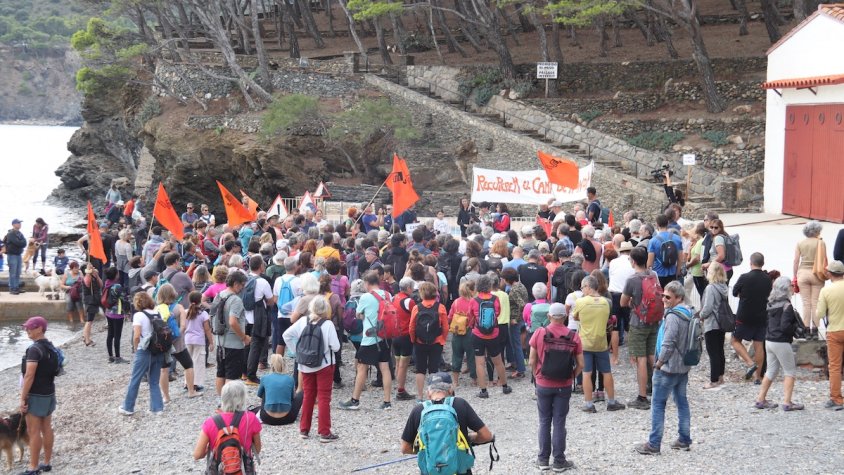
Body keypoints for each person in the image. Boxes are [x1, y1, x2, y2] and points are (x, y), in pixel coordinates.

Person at [635, 281, 694, 455]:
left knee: (658, 404)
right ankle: (684, 439)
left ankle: (654, 444)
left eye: (668, 297)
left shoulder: (673, 317)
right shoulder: (689, 313)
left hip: (668, 369)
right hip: (683, 367)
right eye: (663, 295)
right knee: (682, 403)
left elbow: (668, 343)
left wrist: (659, 363)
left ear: (679, 298)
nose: (664, 299)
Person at [400, 372, 495, 474]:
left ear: (428, 393)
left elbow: (405, 448)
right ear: (450, 390)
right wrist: (468, 440)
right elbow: (486, 436)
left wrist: (430, 449)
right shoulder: (460, 404)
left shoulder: (418, 410)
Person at [529, 303, 583, 472]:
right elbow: (581, 364)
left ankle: (543, 460)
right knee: (559, 422)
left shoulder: (540, 333)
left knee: (544, 421)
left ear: (549, 316)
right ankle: (559, 461)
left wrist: (537, 375)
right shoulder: (573, 336)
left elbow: (531, 360)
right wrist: (572, 376)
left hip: (543, 383)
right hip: (564, 385)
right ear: (565, 317)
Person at [283, 297, 340, 440]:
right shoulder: (328, 324)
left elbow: (286, 335)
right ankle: (324, 431)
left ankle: (304, 430)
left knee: (308, 395)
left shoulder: (303, 321)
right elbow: (336, 347)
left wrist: (297, 352)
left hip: (305, 365)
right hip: (324, 365)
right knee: (324, 398)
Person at [339, 271, 394, 410]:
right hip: (385, 336)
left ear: (367, 283)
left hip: (370, 337)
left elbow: (358, 314)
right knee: (385, 367)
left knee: (362, 367)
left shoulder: (366, 297)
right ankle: (387, 402)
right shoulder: (388, 295)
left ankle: (355, 400)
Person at [573, 276, 625, 413]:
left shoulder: (580, 302)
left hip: (585, 342)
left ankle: (589, 404)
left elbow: (575, 317)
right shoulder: (607, 302)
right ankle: (611, 402)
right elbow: (608, 318)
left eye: (583, 287)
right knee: (606, 372)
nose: (582, 290)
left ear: (588, 287)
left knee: (586, 373)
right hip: (601, 342)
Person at [755, 276, 804, 411]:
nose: (793, 288)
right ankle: (787, 402)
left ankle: (760, 399)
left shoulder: (771, 304)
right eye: (791, 285)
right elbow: (785, 326)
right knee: (790, 371)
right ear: (786, 288)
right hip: (781, 342)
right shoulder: (787, 305)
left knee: (771, 370)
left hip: (769, 340)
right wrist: (795, 330)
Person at [621, 247, 660, 410]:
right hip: (654, 320)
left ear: (633, 261)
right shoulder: (653, 275)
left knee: (641, 359)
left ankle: (642, 397)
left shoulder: (632, 279)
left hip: (638, 322)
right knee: (652, 355)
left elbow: (623, 302)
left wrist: (632, 302)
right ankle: (660, 390)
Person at [19, 316, 57, 475]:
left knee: (33, 431)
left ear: (40, 329)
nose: (27, 330)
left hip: (35, 394)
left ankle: (33, 467)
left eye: (30, 327)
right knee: (46, 428)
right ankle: (46, 463)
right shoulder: (51, 347)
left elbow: (29, 375)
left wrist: (23, 397)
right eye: (26, 327)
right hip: (49, 392)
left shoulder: (34, 350)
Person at [193, 381, 261, 469]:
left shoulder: (210, 422)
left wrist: (207, 451)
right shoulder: (250, 418)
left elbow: (197, 455)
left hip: (219, 470)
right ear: (242, 399)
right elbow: (257, 449)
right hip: (244, 470)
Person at [120, 292, 165, 415]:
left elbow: (136, 336)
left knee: (135, 379)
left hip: (144, 350)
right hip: (158, 349)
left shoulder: (139, 315)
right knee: (154, 381)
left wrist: (136, 349)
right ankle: (157, 408)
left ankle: (128, 407)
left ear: (138, 303)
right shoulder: (157, 313)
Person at [731, 252, 772, 384]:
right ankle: (758, 377)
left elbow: (734, 292)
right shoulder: (768, 279)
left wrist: (743, 295)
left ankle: (750, 363)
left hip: (745, 315)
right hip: (761, 315)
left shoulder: (744, 277)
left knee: (735, 340)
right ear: (763, 263)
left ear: (750, 263)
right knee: (759, 345)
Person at [471, 275, 512, 398]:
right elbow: (498, 313)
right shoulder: (495, 299)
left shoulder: (474, 300)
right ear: (490, 285)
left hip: (478, 334)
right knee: (498, 361)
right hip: (493, 334)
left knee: (479, 363)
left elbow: (470, 315)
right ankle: (505, 386)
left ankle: (483, 391)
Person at [211, 271, 251, 397]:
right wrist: (244, 337)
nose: (243, 288)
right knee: (232, 376)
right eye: (242, 285)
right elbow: (233, 321)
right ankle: (230, 404)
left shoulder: (219, 295)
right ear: (236, 284)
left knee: (220, 373)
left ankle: (221, 402)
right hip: (233, 344)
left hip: (220, 341)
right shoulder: (235, 300)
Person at [410, 282, 450, 402]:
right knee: (434, 370)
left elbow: (411, 327)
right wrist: (443, 339)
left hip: (420, 342)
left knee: (420, 370)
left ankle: (420, 397)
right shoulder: (440, 307)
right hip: (436, 341)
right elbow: (445, 327)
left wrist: (413, 339)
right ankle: (434, 396)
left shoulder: (417, 308)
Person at [818, 260, 844, 410]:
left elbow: (820, 313)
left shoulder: (826, 291)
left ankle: (836, 398)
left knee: (834, 366)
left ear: (830, 273)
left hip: (834, 330)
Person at [698, 262, 729, 389]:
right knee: (720, 350)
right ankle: (721, 377)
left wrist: (701, 316)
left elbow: (708, 307)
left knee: (713, 353)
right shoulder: (724, 287)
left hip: (712, 323)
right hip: (721, 323)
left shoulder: (711, 288)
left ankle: (714, 380)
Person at [793, 220, 827, 329]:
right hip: (817, 274)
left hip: (803, 274)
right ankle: (815, 329)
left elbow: (796, 261)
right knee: (816, 302)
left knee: (806, 303)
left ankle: (806, 329)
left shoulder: (800, 243)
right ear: (817, 231)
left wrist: (795, 275)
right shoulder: (821, 243)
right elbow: (824, 260)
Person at [254, 354, 302, 426]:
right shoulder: (290, 379)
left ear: (271, 365)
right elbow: (292, 398)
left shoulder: (265, 378)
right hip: (288, 418)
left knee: (265, 390)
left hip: (266, 417)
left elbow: (260, 395)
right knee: (300, 394)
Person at [184, 291, 214, 392]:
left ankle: (187, 383)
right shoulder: (203, 314)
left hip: (187, 339)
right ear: (200, 301)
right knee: (198, 363)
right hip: (199, 340)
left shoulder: (185, 312)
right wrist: (211, 342)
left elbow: (183, 326)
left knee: (187, 363)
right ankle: (196, 383)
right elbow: (207, 329)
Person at [647, 214, 685, 289]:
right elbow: (680, 259)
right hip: (672, 273)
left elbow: (650, 263)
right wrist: (677, 272)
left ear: (657, 224)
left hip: (658, 274)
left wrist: (649, 275)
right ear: (667, 223)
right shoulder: (677, 238)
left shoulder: (653, 241)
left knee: (660, 295)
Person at [102, 267, 128, 364]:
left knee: (110, 334)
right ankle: (118, 357)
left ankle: (110, 356)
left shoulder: (107, 283)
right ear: (116, 275)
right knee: (117, 335)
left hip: (108, 312)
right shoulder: (117, 286)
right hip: (117, 313)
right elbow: (123, 298)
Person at [702, 218, 733, 283]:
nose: (713, 229)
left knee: (716, 289)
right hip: (726, 269)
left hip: (720, 271)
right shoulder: (724, 236)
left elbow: (721, 256)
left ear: (720, 228)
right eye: (711, 227)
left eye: (716, 227)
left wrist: (709, 264)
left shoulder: (718, 238)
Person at [5, 218, 27, 294]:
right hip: (12, 255)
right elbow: (17, 242)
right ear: (13, 224)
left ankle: (17, 287)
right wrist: (21, 242)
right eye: (18, 223)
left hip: (18, 254)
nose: (20, 224)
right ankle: (12, 288)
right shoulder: (10, 234)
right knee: (13, 272)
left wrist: (20, 243)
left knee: (18, 272)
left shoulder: (20, 233)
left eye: (20, 223)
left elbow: (24, 243)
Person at [81, 266, 102, 347]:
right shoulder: (86, 277)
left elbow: (101, 284)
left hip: (94, 300)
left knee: (90, 320)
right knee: (89, 320)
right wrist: (89, 273)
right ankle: (87, 340)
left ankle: (84, 336)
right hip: (90, 301)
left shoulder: (94, 277)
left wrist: (97, 276)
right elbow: (87, 283)